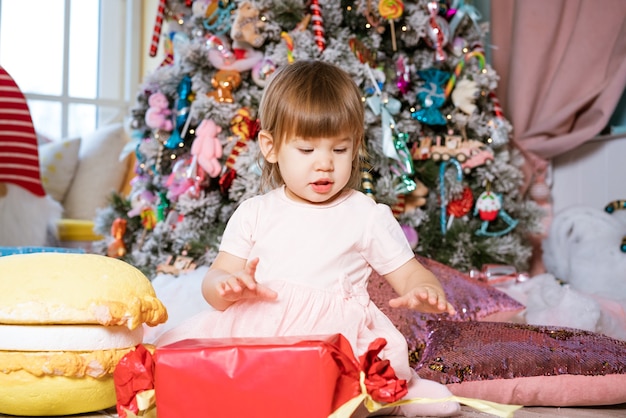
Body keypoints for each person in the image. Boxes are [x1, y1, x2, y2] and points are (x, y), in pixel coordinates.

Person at [157, 60, 460, 417]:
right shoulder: (255, 213)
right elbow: (215, 281)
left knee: (350, 394)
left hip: (334, 337)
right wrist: (229, 286)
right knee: (199, 379)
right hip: (259, 330)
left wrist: (424, 289)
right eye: (307, 150)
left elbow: (409, 273)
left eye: (339, 149)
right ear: (270, 147)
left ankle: (401, 393)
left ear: (355, 146)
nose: (325, 164)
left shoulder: (365, 214)